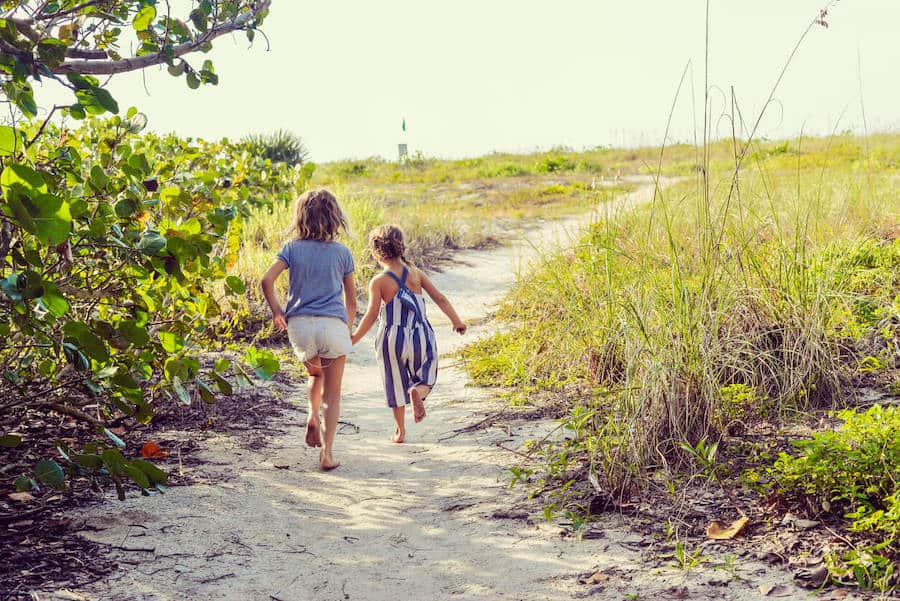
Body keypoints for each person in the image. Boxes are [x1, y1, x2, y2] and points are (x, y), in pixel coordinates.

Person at [260, 189, 356, 471]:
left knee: (315, 375)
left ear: (301, 217)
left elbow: (266, 280)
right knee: (333, 394)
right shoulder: (342, 252)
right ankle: (327, 454)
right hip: (332, 325)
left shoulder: (291, 249)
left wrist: (277, 311)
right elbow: (351, 301)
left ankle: (312, 415)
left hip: (300, 326)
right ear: (335, 217)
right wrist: (346, 329)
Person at [351, 225, 466, 443]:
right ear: (401, 246)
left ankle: (400, 431)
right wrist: (456, 321)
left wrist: (355, 338)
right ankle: (418, 392)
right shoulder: (416, 273)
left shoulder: (378, 282)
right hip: (419, 334)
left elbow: (371, 315)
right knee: (427, 372)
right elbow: (440, 298)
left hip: (390, 338)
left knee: (394, 382)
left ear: (375, 252)